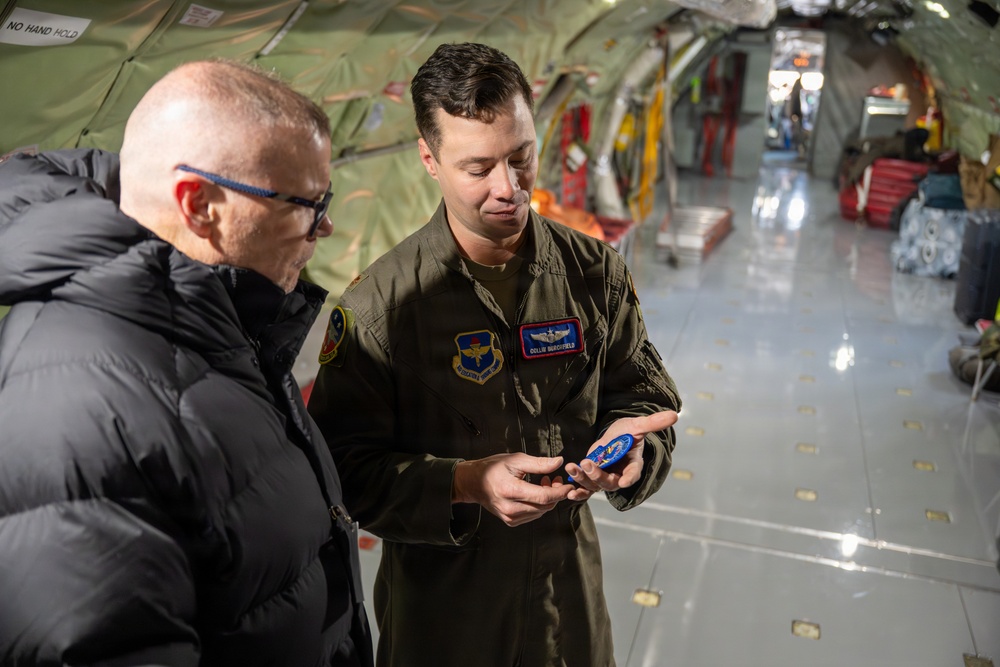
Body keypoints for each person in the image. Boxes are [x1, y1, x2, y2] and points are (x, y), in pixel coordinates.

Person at [308, 42, 681, 666]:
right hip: (445, 624)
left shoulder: (594, 274)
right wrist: (464, 482)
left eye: (522, 157)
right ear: (430, 160)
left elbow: (644, 396)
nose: (509, 188)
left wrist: (636, 457)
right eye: (478, 168)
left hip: (569, 613)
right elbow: (338, 472)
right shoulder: (382, 308)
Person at [0, 60, 373, 666]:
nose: (326, 226)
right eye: (309, 203)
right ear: (199, 204)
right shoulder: (88, 412)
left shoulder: (220, 331)